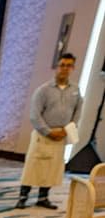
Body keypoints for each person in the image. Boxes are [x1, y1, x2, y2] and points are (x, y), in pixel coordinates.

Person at [15, 53, 82, 209]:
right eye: (62, 65)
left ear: (73, 68)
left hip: (61, 134)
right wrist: (48, 132)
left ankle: (43, 197)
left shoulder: (75, 90)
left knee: (52, 168)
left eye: (68, 66)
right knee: (33, 166)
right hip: (43, 135)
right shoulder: (43, 90)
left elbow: (77, 112)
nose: (64, 69)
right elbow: (34, 115)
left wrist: (67, 130)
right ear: (57, 67)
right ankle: (23, 197)